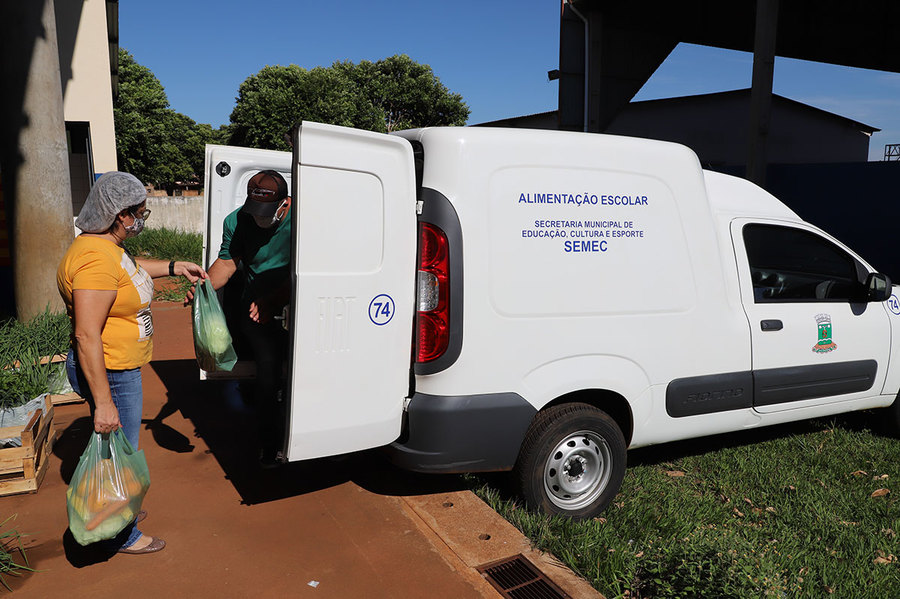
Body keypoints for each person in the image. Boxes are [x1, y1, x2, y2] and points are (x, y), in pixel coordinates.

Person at [57, 171, 206, 555]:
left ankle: (117, 512)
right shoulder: (94, 259)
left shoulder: (107, 248)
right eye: (140, 212)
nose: (142, 218)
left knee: (116, 450)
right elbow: (87, 335)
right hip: (111, 373)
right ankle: (120, 534)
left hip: (118, 368)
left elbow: (128, 268)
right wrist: (104, 402)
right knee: (120, 454)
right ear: (121, 215)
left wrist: (175, 265)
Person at [186, 170, 292, 467]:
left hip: (300, 306)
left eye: (267, 213)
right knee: (268, 376)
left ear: (285, 204)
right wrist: (202, 289)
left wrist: (275, 300)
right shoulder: (236, 220)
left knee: (305, 375)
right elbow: (228, 262)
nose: (260, 218)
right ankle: (270, 445)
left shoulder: (305, 219)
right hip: (257, 312)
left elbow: (312, 268)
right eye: (255, 211)